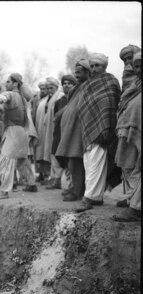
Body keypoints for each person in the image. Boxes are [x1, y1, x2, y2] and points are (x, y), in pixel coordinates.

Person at [75, 53, 121, 212]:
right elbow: (82, 107)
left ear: (104, 66)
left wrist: (106, 127)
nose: (94, 69)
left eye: (97, 66)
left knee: (96, 163)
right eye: (92, 66)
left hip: (104, 129)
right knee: (90, 164)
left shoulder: (111, 81)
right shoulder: (87, 85)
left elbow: (111, 106)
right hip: (88, 128)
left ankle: (88, 198)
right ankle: (98, 197)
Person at [0, 73, 38, 200]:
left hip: (13, 131)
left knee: (5, 159)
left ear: (15, 83)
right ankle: (31, 184)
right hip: (22, 131)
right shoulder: (23, 98)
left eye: (8, 82)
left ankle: (4, 191)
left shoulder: (11, 94)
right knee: (21, 160)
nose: (6, 84)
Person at [56, 60, 90, 201]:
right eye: (75, 71)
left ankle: (77, 191)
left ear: (88, 71)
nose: (76, 74)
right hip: (71, 132)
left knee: (76, 162)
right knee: (72, 161)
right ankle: (74, 188)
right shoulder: (78, 88)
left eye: (79, 71)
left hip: (79, 131)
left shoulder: (88, 86)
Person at [113, 52, 141, 222]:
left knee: (139, 170)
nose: (139, 69)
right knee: (129, 168)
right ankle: (133, 201)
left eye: (141, 66)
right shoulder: (136, 85)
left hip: (137, 133)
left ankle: (135, 209)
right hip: (129, 133)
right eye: (136, 66)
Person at [46, 75, 76, 190]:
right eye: (64, 83)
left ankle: (72, 186)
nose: (66, 85)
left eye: (69, 83)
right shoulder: (59, 101)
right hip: (59, 133)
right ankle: (56, 180)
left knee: (70, 161)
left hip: (71, 134)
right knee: (56, 157)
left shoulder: (76, 99)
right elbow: (55, 118)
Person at [34, 77, 64, 185]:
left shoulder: (60, 97)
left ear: (56, 87)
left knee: (55, 154)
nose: (49, 90)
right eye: (48, 88)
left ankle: (56, 179)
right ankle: (51, 177)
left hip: (55, 130)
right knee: (49, 153)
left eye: (51, 87)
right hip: (45, 131)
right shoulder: (45, 100)